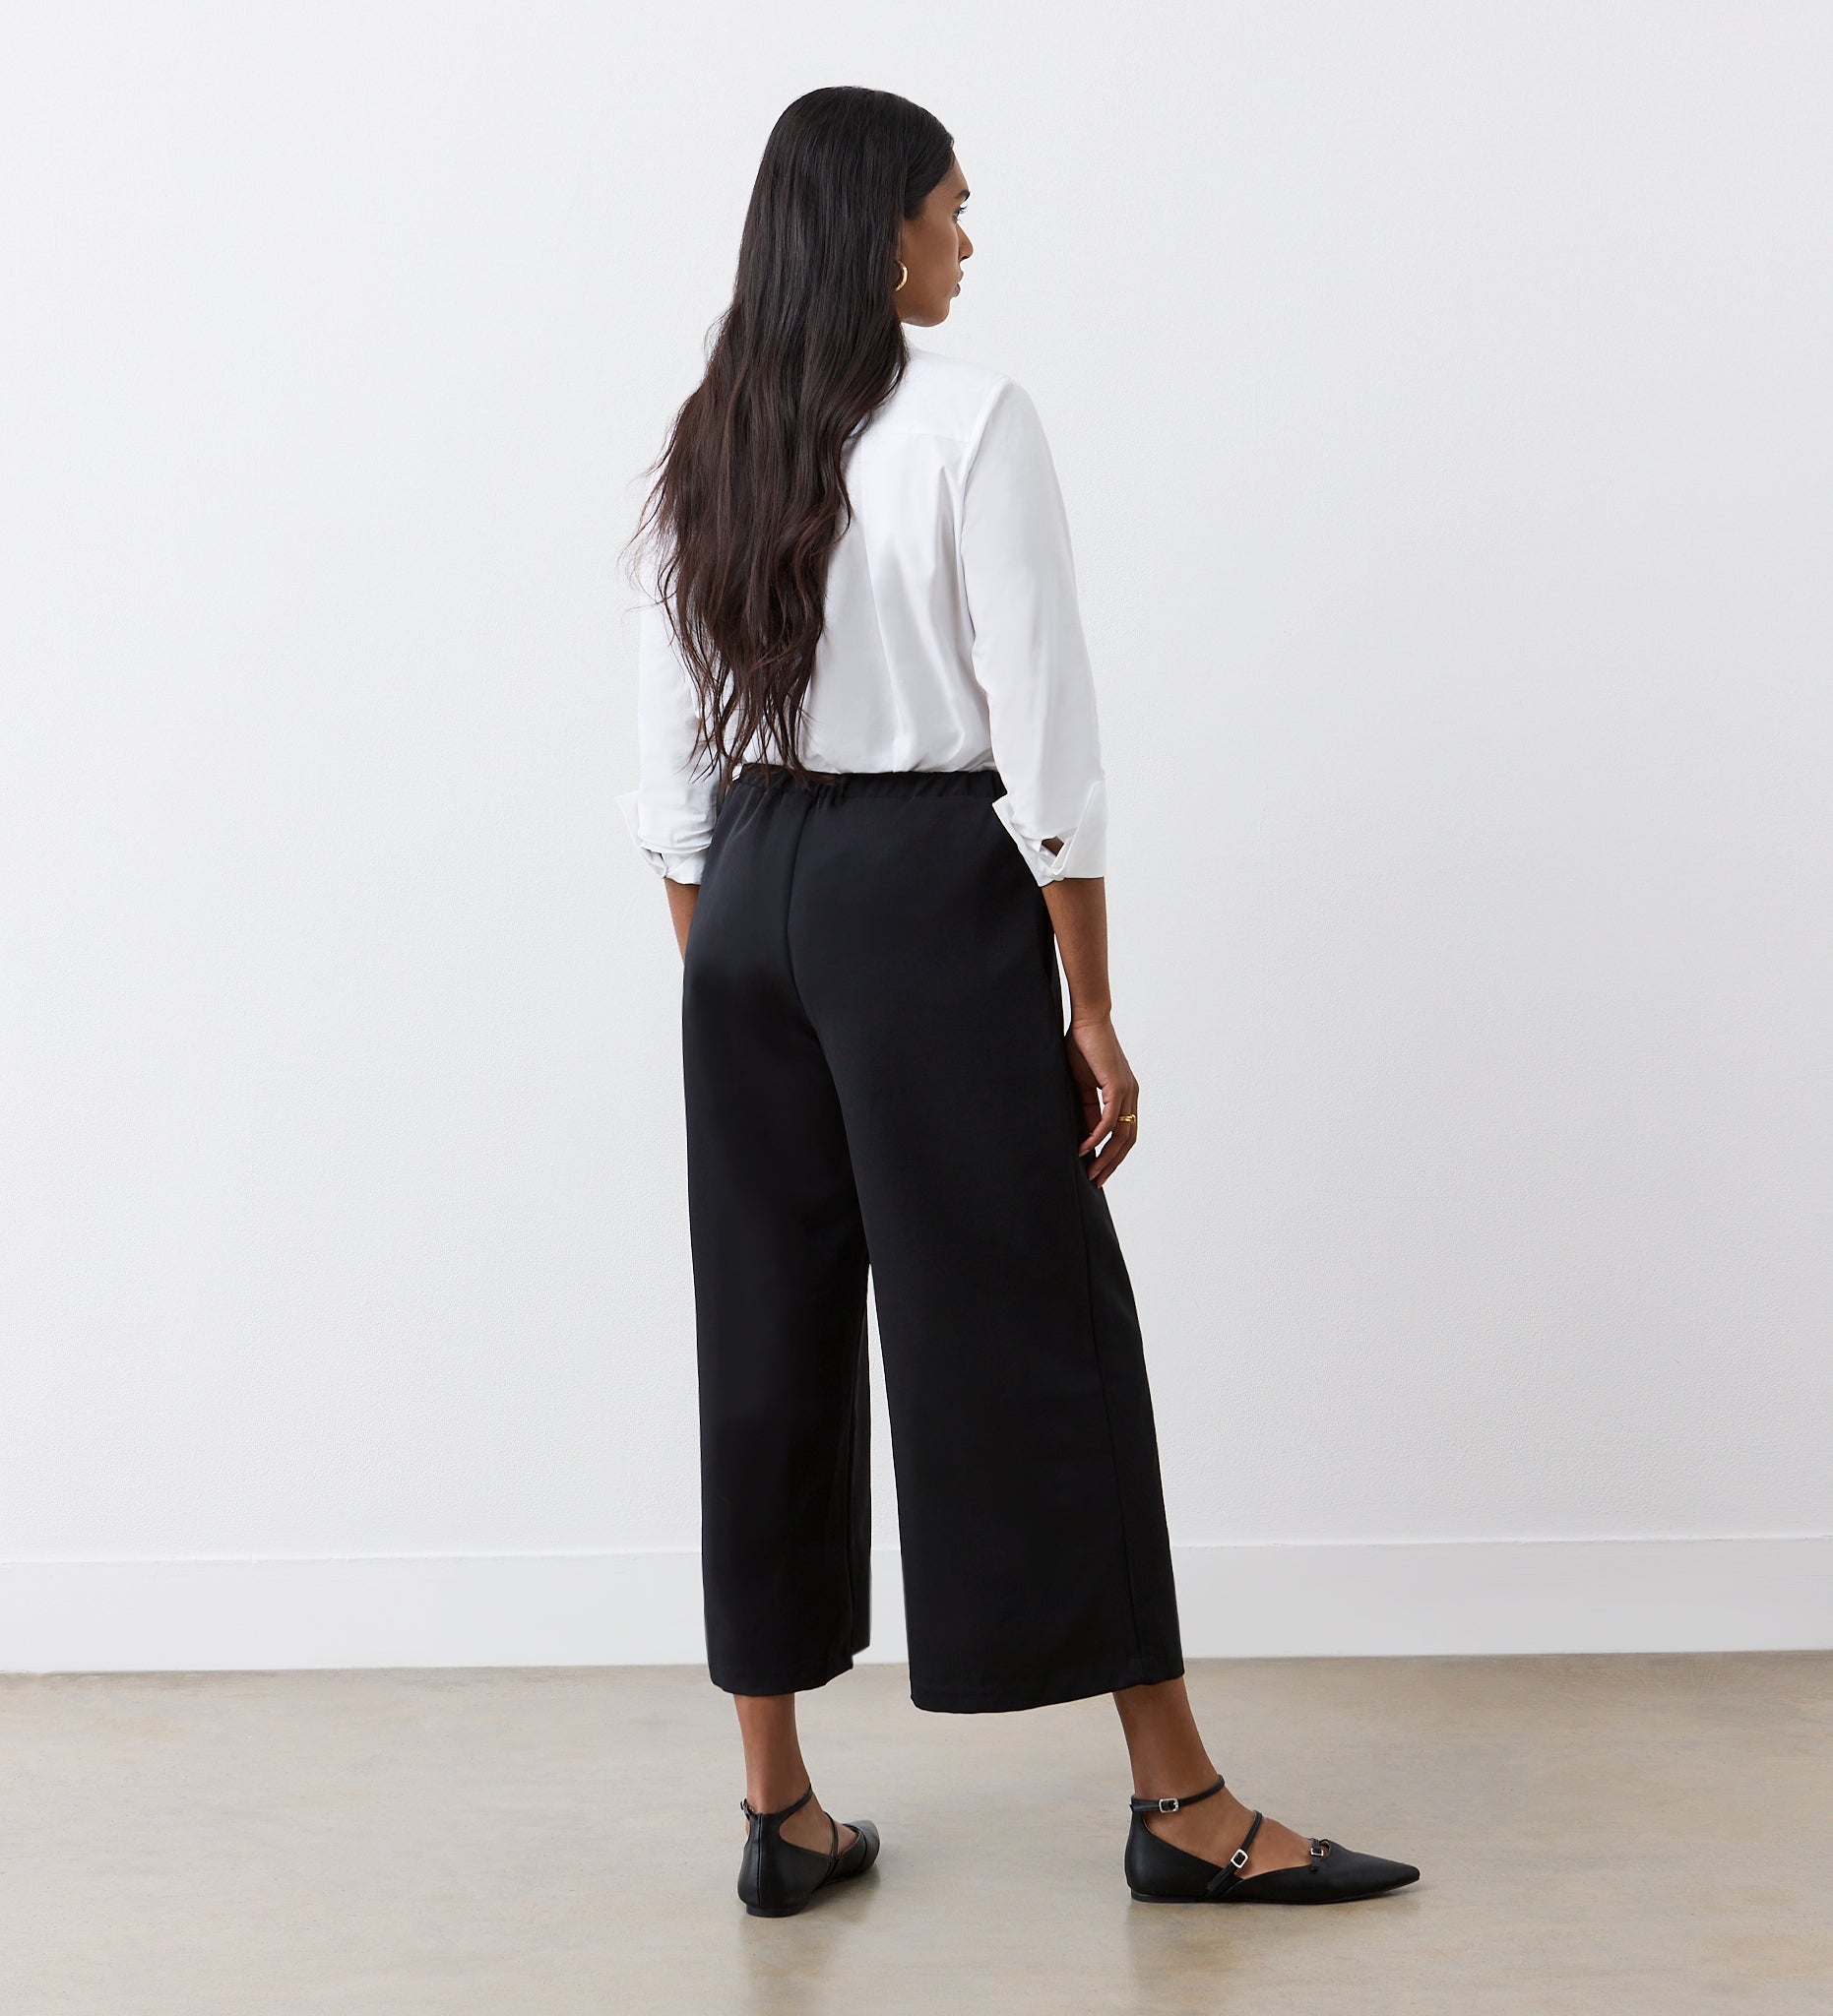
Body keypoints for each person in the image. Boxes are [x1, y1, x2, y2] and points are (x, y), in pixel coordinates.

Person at [620, 85, 1420, 1920]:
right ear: (879, 227)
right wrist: (1091, 999)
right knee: (1039, 1329)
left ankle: (780, 1812)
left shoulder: (711, 435)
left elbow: (664, 763)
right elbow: (1041, 725)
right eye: (951, 209)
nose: (966, 241)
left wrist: (751, 972)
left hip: (744, 896)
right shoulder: (972, 419)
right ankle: (1182, 1803)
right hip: (921, 891)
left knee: (765, 1333)